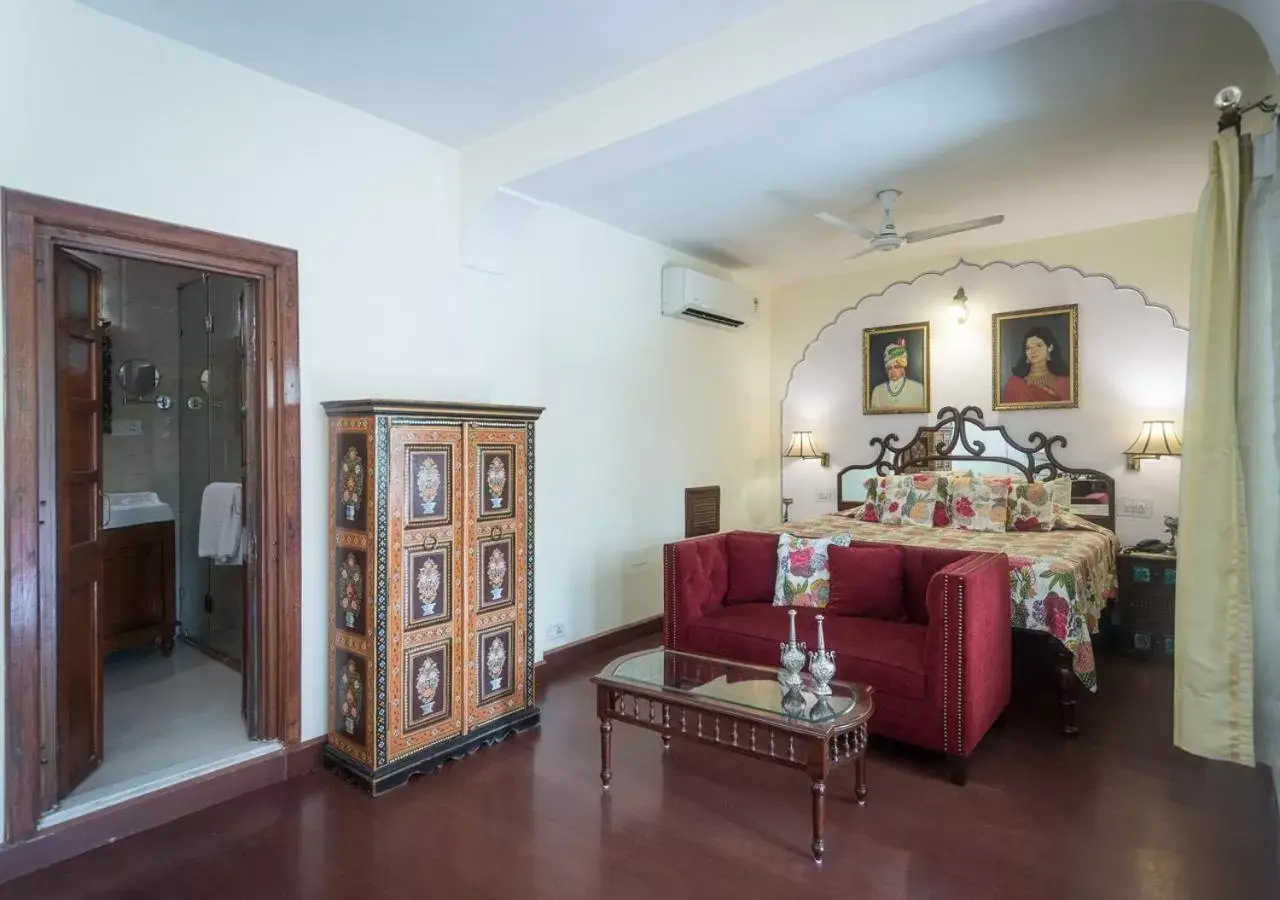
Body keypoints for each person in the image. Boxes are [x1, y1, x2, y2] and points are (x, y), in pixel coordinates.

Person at [1001, 324, 1072, 404]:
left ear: (1050, 347)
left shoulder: (1066, 383)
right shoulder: (1014, 384)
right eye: (1028, 348)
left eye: (1038, 345)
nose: (1032, 351)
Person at [869, 338, 925, 409]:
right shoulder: (877, 391)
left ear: (903, 368)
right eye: (889, 368)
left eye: (896, 367)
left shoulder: (918, 388)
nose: (893, 371)